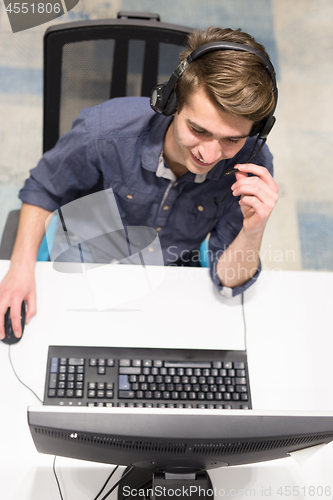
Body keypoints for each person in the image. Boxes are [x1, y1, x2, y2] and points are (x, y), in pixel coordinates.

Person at [0, 26, 278, 340]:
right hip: (86, 254)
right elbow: (44, 188)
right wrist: (20, 269)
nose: (210, 154)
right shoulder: (105, 130)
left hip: (167, 270)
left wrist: (253, 229)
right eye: (198, 130)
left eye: (231, 139)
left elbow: (228, 280)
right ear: (172, 103)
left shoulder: (249, 166)